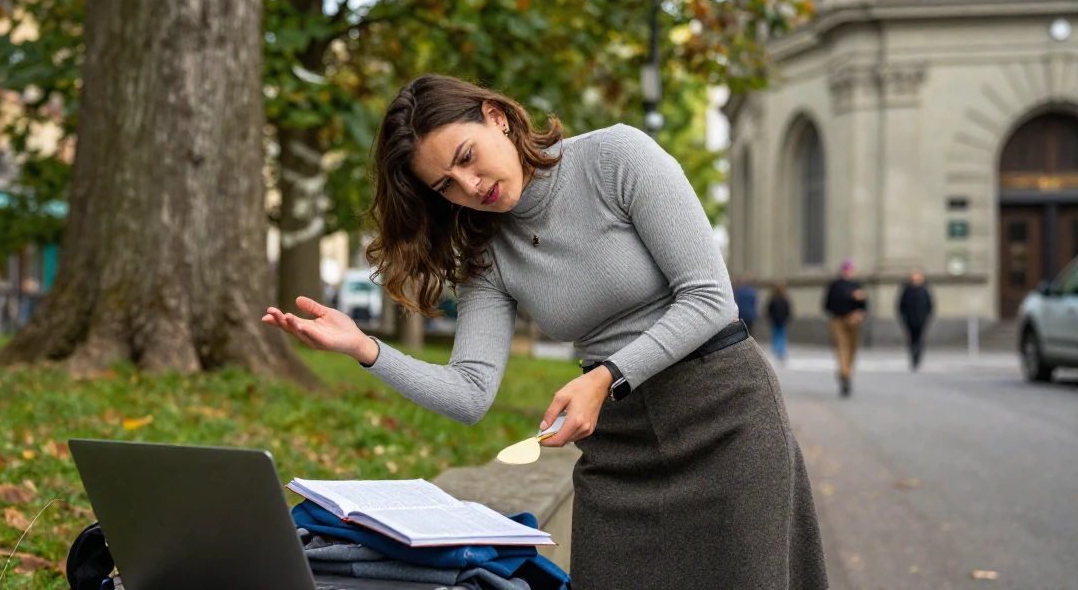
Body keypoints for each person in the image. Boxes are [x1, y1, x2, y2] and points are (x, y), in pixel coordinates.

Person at [262, 74, 827, 589]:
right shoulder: (487, 252)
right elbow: (469, 394)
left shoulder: (616, 157)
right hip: (618, 450)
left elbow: (709, 297)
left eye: (467, 156)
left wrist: (607, 376)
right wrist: (365, 348)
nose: (468, 184)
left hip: (724, 419)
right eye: (445, 185)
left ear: (496, 117)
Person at [823, 259, 867, 397]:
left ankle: (847, 372)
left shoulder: (857, 284)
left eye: (850, 269)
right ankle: (844, 374)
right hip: (839, 320)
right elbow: (828, 304)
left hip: (854, 320)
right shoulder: (835, 285)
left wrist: (861, 311)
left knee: (853, 348)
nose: (848, 272)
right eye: (846, 269)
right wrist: (850, 297)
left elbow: (864, 304)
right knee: (842, 347)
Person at [898, 268, 934, 371]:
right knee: (911, 339)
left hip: (921, 319)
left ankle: (917, 356)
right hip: (909, 320)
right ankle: (913, 357)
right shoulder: (907, 290)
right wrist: (904, 317)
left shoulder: (924, 290)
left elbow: (930, 305)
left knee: (920, 339)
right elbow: (901, 305)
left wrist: (927, 317)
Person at [767, 283, 792, 362]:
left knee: (776, 335)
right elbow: (788, 310)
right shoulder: (784, 300)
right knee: (782, 335)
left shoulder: (773, 299)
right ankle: (781, 351)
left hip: (775, 320)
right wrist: (787, 318)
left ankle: (777, 350)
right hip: (782, 320)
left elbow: (769, 310)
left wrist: (770, 317)